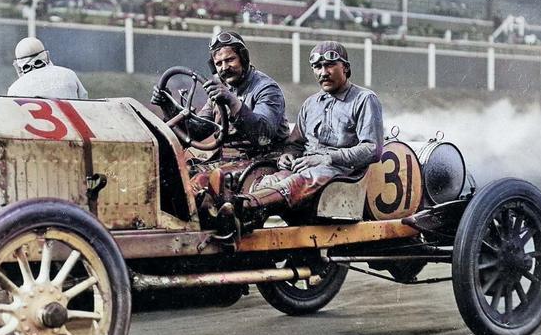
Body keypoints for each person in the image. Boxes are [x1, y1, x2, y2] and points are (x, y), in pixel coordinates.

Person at [215, 40, 384, 239]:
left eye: (330, 65)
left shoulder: (364, 99)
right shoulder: (310, 104)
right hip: (306, 167)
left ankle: (239, 208)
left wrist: (327, 158)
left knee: (294, 183)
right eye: (318, 67)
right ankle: (241, 216)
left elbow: (373, 149)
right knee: (270, 180)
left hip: (340, 172)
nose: (323, 72)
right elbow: (295, 143)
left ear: (345, 68)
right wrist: (286, 156)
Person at [151, 30, 289, 150]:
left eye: (230, 60)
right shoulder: (219, 93)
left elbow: (263, 135)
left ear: (244, 59)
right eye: (218, 63)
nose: (224, 67)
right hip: (229, 161)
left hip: (266, 160)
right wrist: (168, 106)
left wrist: (232, 102)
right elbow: (196, 132)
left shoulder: (266, 89)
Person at [7, 37, 88, 99]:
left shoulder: (14, 89)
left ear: (17, 65)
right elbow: (85, 102)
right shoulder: (69, 74)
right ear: (47, 55)